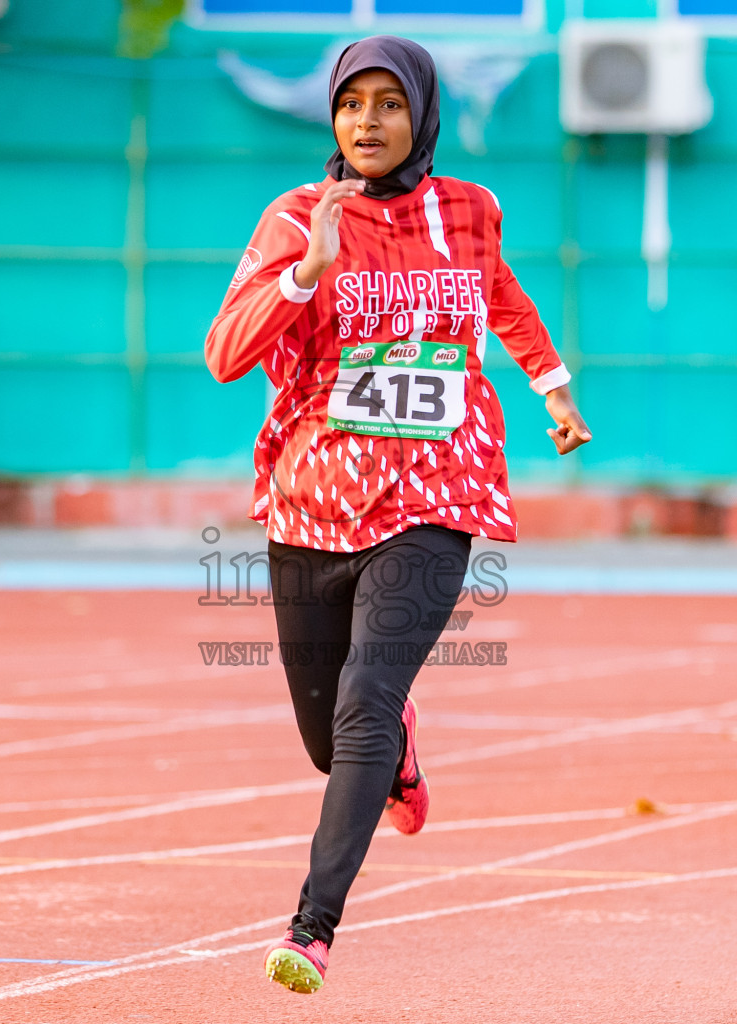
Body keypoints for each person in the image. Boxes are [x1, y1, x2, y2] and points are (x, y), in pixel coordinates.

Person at [204, 36, 592, 995]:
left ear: (421, 112)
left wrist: (552, 385)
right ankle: (401, 757)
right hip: (312, 499)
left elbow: (499, 293)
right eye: (351, 105)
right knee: (328, 739)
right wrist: (305, 274)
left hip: (437, 489)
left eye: (388, 103)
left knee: (365, 702)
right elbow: (223, 353)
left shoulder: (472, 208)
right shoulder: (298, 217)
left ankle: (311, 928)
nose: (368, 123)